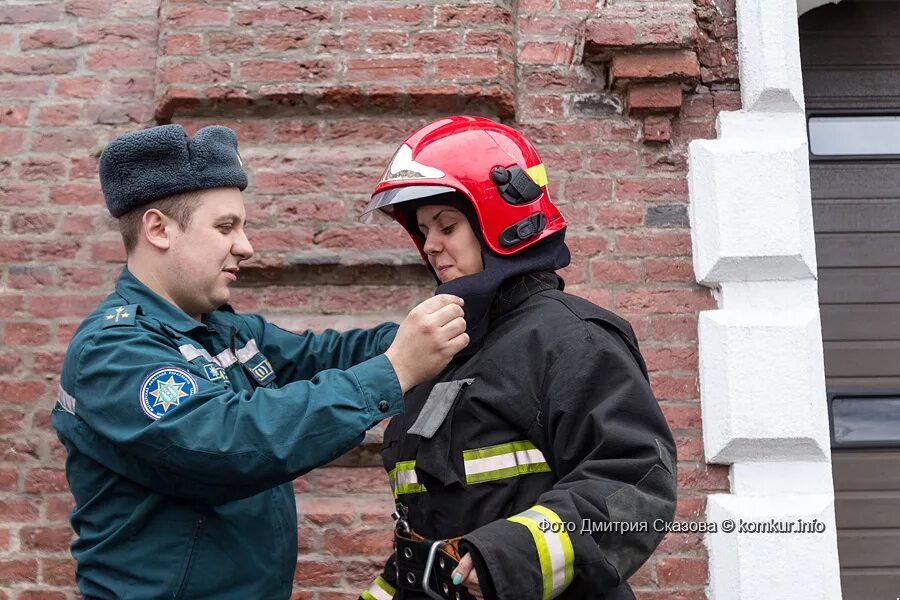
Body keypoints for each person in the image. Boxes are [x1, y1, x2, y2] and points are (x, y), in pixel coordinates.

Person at [51, 123, 469, 600]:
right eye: (226, 227)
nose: (246, 246)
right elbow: (230, 441)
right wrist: (395, 371)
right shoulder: (113, 351)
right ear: (158, 229)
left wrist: (448, 325)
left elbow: (326, 355)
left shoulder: (221, 331)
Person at [358, 116, 677, 600]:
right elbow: (427, 531)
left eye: (447, 226)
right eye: (423, 230)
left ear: (501, 223)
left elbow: (635, 478)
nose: (431, 246)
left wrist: (512, 557)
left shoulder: (571, 339)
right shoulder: (450, 349)